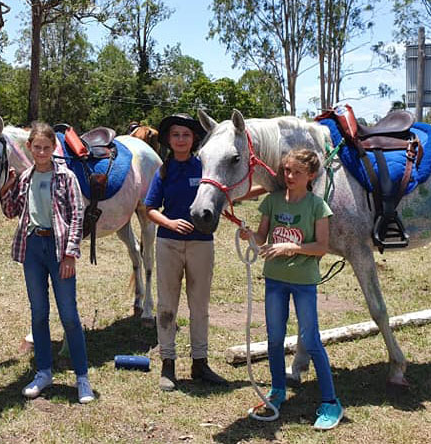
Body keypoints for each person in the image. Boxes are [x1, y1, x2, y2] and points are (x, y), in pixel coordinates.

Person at [239, 148, 343, 430]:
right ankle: (277, 391)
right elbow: (262, 238)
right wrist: (250, 235)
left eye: (296, 172)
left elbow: (321, 247)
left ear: (311, 175)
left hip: (304, 283)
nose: (289, 176)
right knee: (274, 339)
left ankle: (331, 402)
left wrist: (291, 247)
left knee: (310, 341)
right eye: (286, 170)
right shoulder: (272, 202)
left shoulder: (317, 206)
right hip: (274, 280)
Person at [0, 122, 94, 404]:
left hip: (58, 247)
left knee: (69, 315)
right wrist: (6, 188)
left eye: (46, 147)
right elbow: (11, 211)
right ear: (29, 148)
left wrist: (70, 254)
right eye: (36, 147)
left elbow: (77, 216)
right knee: (38, 312)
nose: (41, 152)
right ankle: (43, 371)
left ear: (54, 148)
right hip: (33, 248)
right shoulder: (26, 177)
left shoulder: (66, 177)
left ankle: (82, 377)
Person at [144, 113, 228, 392]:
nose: (181, 139)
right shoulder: (163, 171)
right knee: (167, 306)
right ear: (169, 140)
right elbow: (150, 208)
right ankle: (167, 363)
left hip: (201, 244)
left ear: (194, 140)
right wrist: (168, 222)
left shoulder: (205, 168)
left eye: (186, 135)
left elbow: (226, 192)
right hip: (167, 243)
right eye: (176, 135)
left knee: (199, 305)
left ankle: (200, 363)